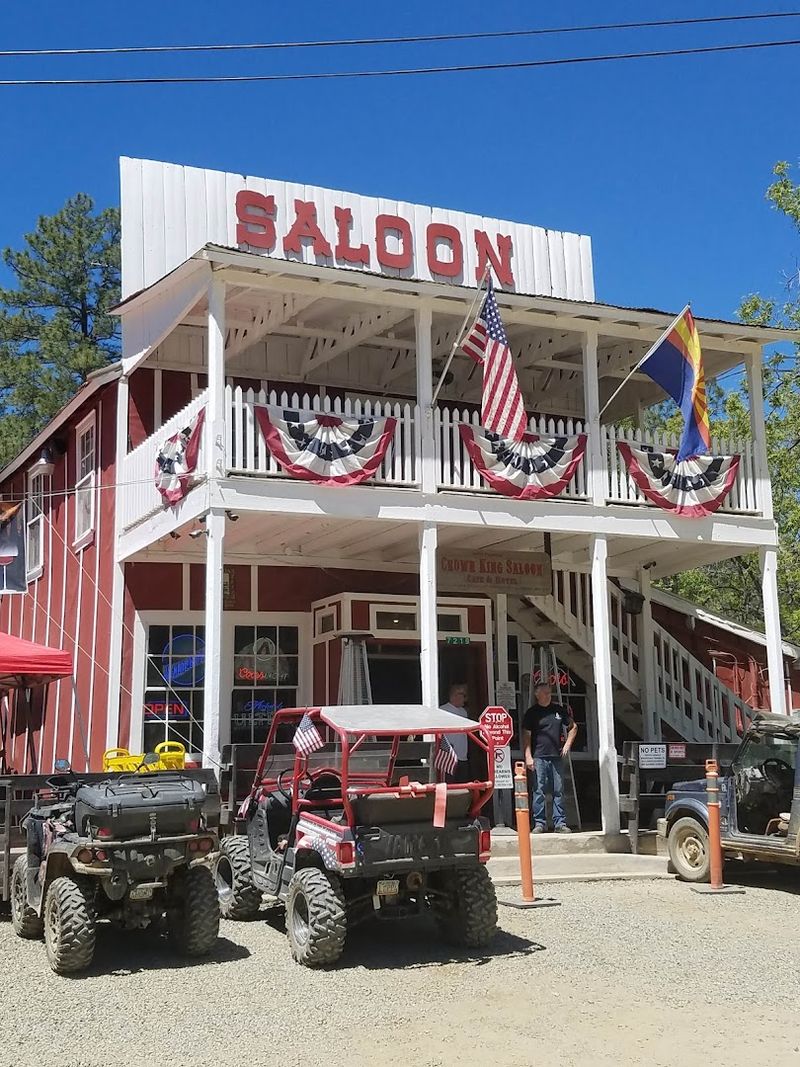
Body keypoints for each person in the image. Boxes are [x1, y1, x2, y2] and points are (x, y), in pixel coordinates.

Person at [523, 681, 577, 833]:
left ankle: (560, 823)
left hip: (556, 755)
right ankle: (539, 823)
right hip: (538, 756)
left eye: (549, 692)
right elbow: (526, 735)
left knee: (558, 789)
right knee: (539, 790)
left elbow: (573, 727)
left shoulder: (558, 710)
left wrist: (567, 744)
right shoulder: (532, 713)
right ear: (537, 694)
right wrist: (528, 755)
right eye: (545, 692)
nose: (548, 695)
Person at [440, 682, 472, 783]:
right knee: (449, 785)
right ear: (454, 695)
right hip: (449, 756)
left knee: (463, 785)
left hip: (463, 756)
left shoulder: (463, 712)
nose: (466, 699)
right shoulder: (442, 710)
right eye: (463, 695)